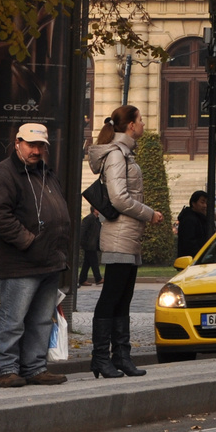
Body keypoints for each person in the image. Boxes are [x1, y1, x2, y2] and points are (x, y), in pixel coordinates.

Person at [0, 122, 72, 388]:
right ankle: (6, 369)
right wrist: (28, 242)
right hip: (22, 262)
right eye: (31, 145)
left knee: (42, 319)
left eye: (40, 146)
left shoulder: (45, 173)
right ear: (17, 143)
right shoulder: (4, 174)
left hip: (49, 260)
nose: (36, 150)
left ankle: (34, 367)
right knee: (13, 319)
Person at [87, 106, 165, 379]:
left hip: (128, 236)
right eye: (141, 120)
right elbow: (119, 198)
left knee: (123, 298)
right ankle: (101, 358)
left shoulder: (124, 154)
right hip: (119, 236)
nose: (143, 124)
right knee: (111, 298)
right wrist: (149, 213)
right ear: (131, 126)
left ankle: (121, 356)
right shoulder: (117, 155)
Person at [176, 190, 214, 261]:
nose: (205, 206)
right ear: (194, 203)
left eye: (206, 203)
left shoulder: (203, 218)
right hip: (192, 260)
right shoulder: (189, 219)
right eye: (202, 202)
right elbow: (189, 243)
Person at [79, 204, 103, 286]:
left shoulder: (97, 220)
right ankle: (98, 278)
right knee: (94, 261)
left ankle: (82, 279)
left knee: (87, 263)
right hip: (89, 244)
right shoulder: (89, 219)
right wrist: (82, 242)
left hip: (93, 244)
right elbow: (82, 231)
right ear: (94, 210)